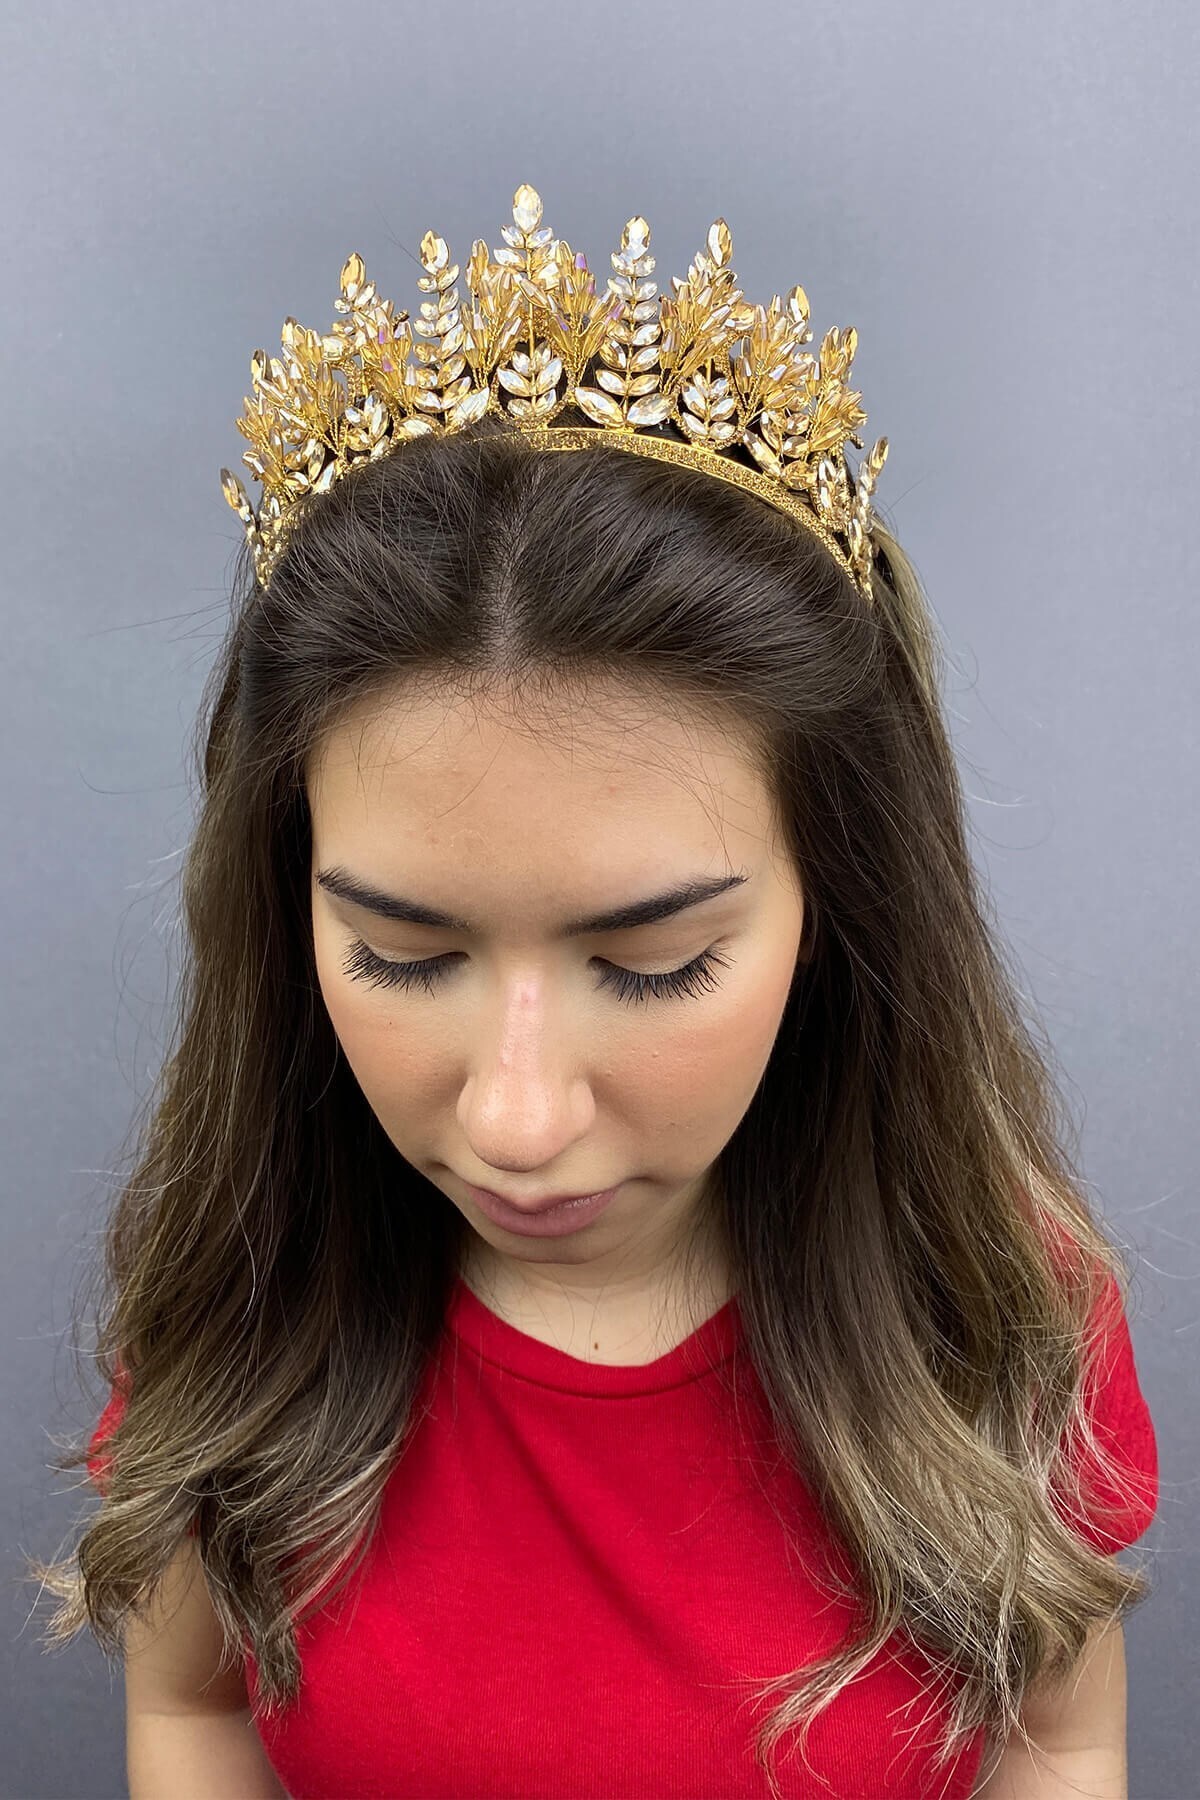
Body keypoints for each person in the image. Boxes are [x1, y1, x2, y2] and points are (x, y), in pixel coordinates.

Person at [28, 185, 1157, 1800]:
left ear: (840, 907)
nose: (515, 1117)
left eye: (655, 965)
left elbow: (1057, 1733)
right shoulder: (248, 1289)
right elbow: (193, 1707)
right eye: (402, 955)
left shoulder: (990, 1309)